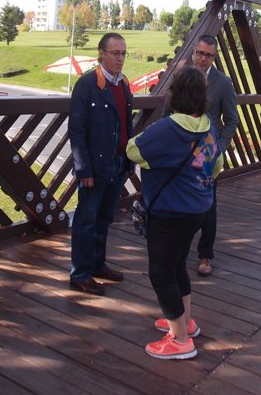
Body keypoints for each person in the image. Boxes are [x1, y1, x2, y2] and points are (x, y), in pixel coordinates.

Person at [127, 67, 223, 360]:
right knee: (178, 264)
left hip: (169, 212)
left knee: (161, 274)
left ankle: (181, 340)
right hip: (197, 210)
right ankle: (186, 322)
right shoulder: (208, 127)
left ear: (175, 94)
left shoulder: (167, 128)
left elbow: (134, 150)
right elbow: (215, 167)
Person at [68, 33, 133, 296]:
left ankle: (97, 265)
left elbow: (126, 125)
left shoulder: (124, 84)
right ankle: (80, 274)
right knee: (86, 220)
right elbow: (77, 131)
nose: (120, 58)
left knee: (105, 218)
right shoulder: (87, 84)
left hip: (117, 163)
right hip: (94, 167)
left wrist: (128, 161)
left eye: (123, 53)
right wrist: (83, 169)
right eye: (115, 53)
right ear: (101, 54)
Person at [191, 35, 238, 276]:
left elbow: (231, 121)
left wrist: (218, 147)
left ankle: (205, 256)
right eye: (200, 52)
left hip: (208, 155)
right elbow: (168, 112)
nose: (202, 58)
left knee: (209, 205)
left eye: (208, 54)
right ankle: (178, 250)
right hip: (183, 152)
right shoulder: (183, 76)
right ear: (194, 52)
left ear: (214, 57)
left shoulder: (223, 83)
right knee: (180, 201)